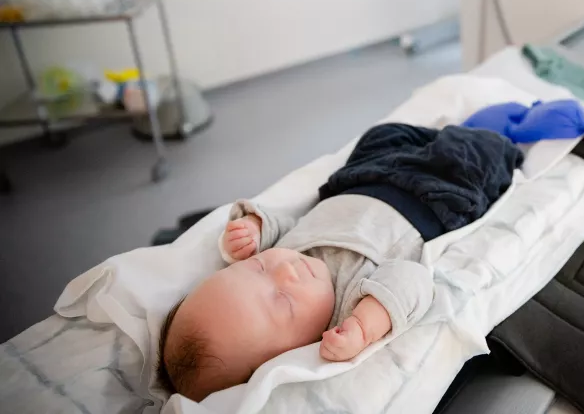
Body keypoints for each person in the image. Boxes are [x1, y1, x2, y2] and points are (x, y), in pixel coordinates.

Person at [156, 123, 523, 402]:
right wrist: (369, 324)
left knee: (383, 134)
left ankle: (439, 131)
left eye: (259, 268)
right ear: (288, 355)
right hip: (436, 198)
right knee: (477, 154)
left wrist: (254, 228)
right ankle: (505, 134)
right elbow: (412, 280)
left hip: (361, 178)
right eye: (283, 301)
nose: (287, 269)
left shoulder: (287, 254)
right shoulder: (348, 307)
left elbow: (288, 226)